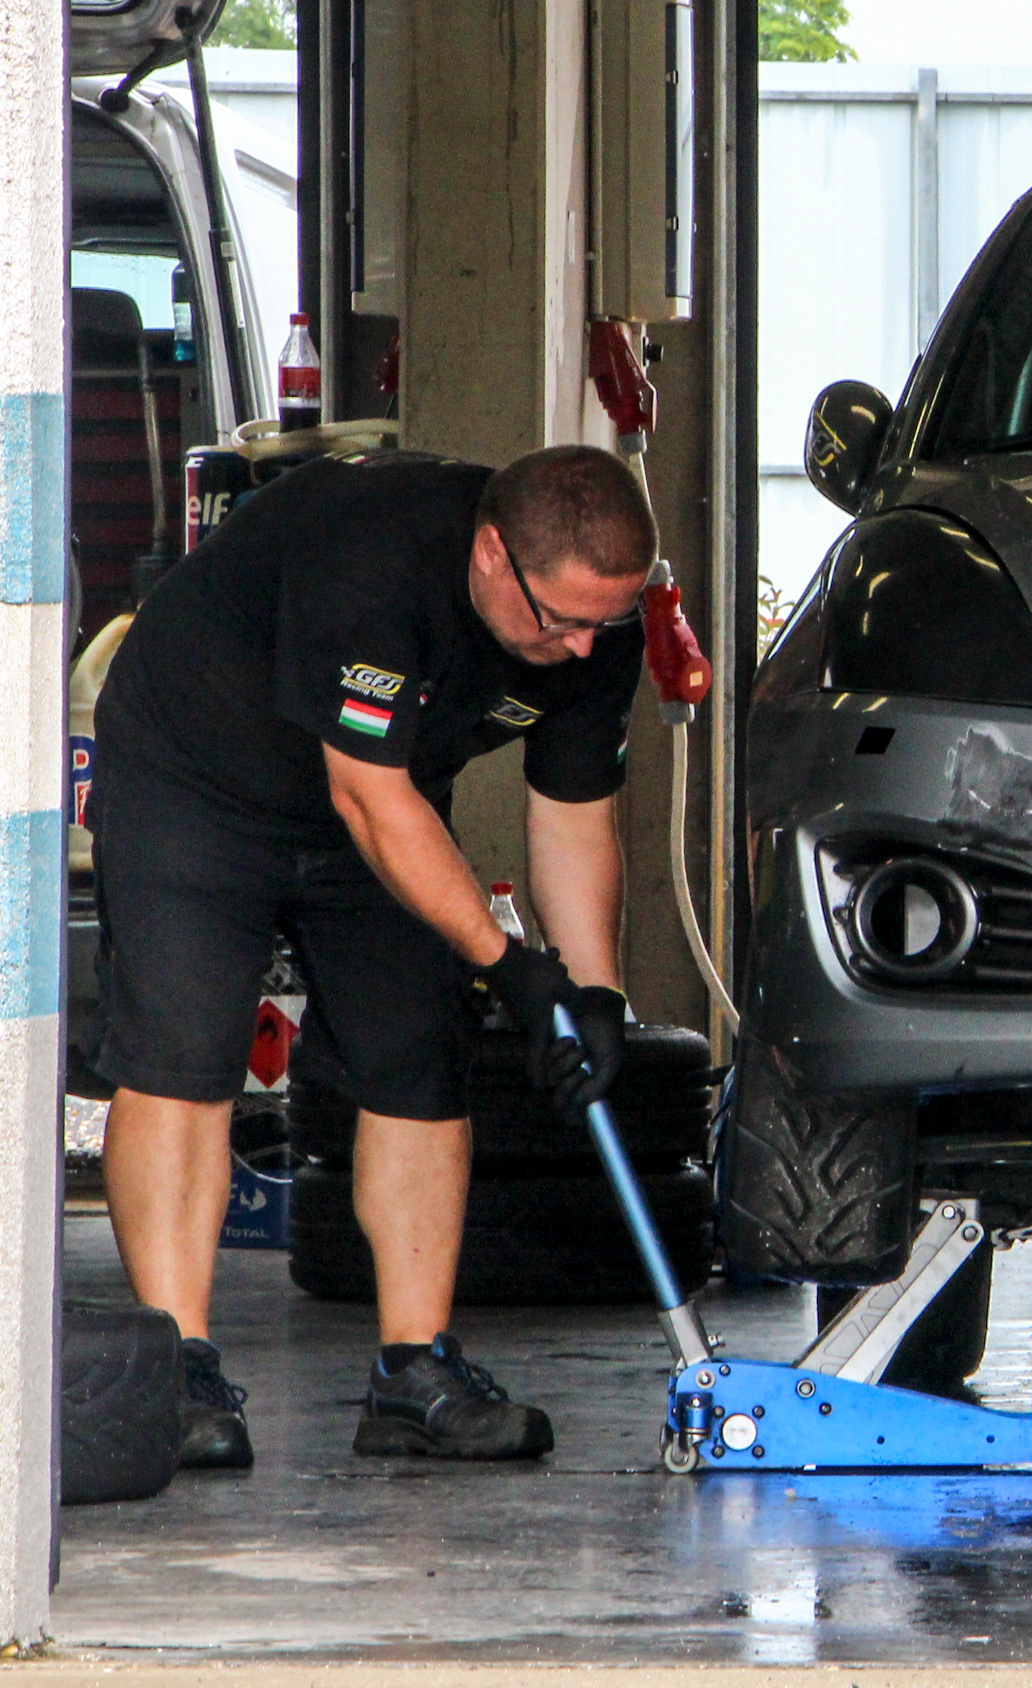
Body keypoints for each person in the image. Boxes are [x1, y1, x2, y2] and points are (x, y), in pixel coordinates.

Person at [89, 444, 653, 1466]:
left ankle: (412, 1375)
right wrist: (507, 962)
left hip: (384, 797)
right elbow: (367, 798)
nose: (580, 647)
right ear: (492, 552)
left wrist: (591, 991)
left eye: (602, 623)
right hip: (197, 773)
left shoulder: (598, 627)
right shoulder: (374, 556)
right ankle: (179, 1368)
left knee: (419, 1057)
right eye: (559, 620)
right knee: (184, 1053)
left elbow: (573, 817)